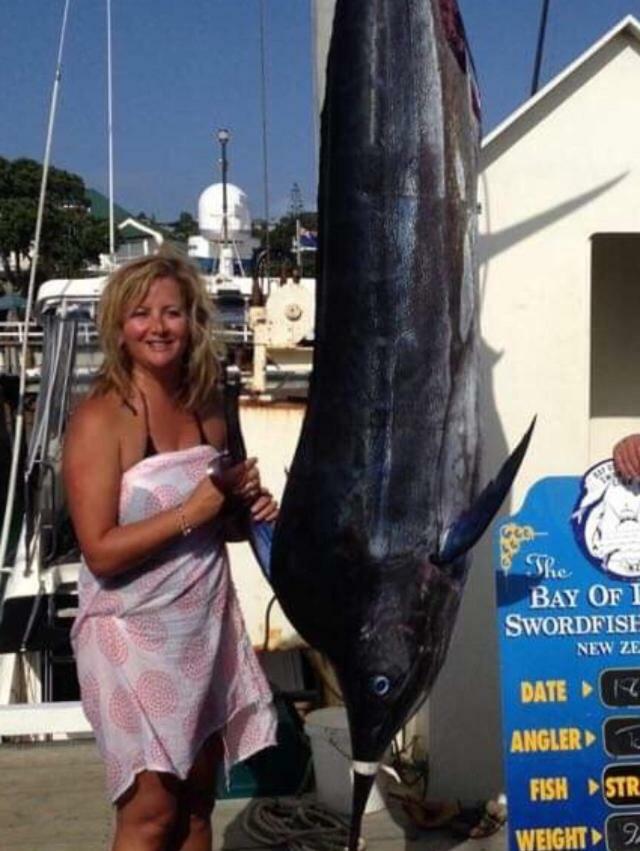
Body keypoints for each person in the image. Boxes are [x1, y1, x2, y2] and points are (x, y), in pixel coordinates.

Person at [63, 247, 278, 851]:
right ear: (118, 328)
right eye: (140, 314)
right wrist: (196, 511)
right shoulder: (98, 420)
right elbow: (100, 551)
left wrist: (245, 508)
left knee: (196, 806)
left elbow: (221, 521)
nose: (157, 327)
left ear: (193, 321)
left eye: (172, 312)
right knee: (150, 815)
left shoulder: (209, 403)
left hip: (202, 630)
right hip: (128, 640)